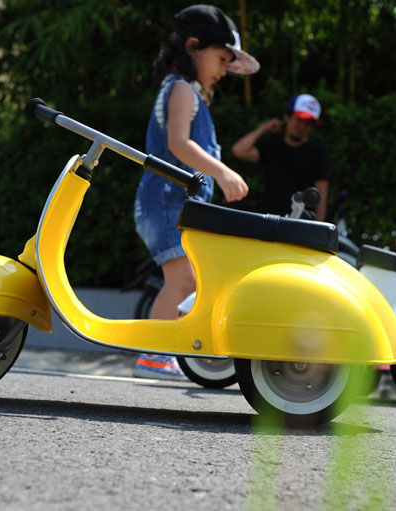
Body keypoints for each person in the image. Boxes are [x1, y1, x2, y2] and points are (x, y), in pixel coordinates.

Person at [133, 5, 259, 379]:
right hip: (166, 203)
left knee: (194, 279)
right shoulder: (182, 90)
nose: (223, 71)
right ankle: (153, 356)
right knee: (183, 280)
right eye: (221, 59)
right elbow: (178, 144)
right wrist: (222, 172)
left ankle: (180, 348)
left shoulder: (188, 92)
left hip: (176, 205)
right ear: (193, 47)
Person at [231, 94, 329, 221]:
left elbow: (321, 194)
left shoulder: (317, 153)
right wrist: (265, 128)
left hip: (303, 224)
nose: (302, 126)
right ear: (287, 118)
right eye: (299, 119)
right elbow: (239, 150)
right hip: (270, 221)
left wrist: (318, 229)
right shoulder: (272, 147)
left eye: (308, 123)